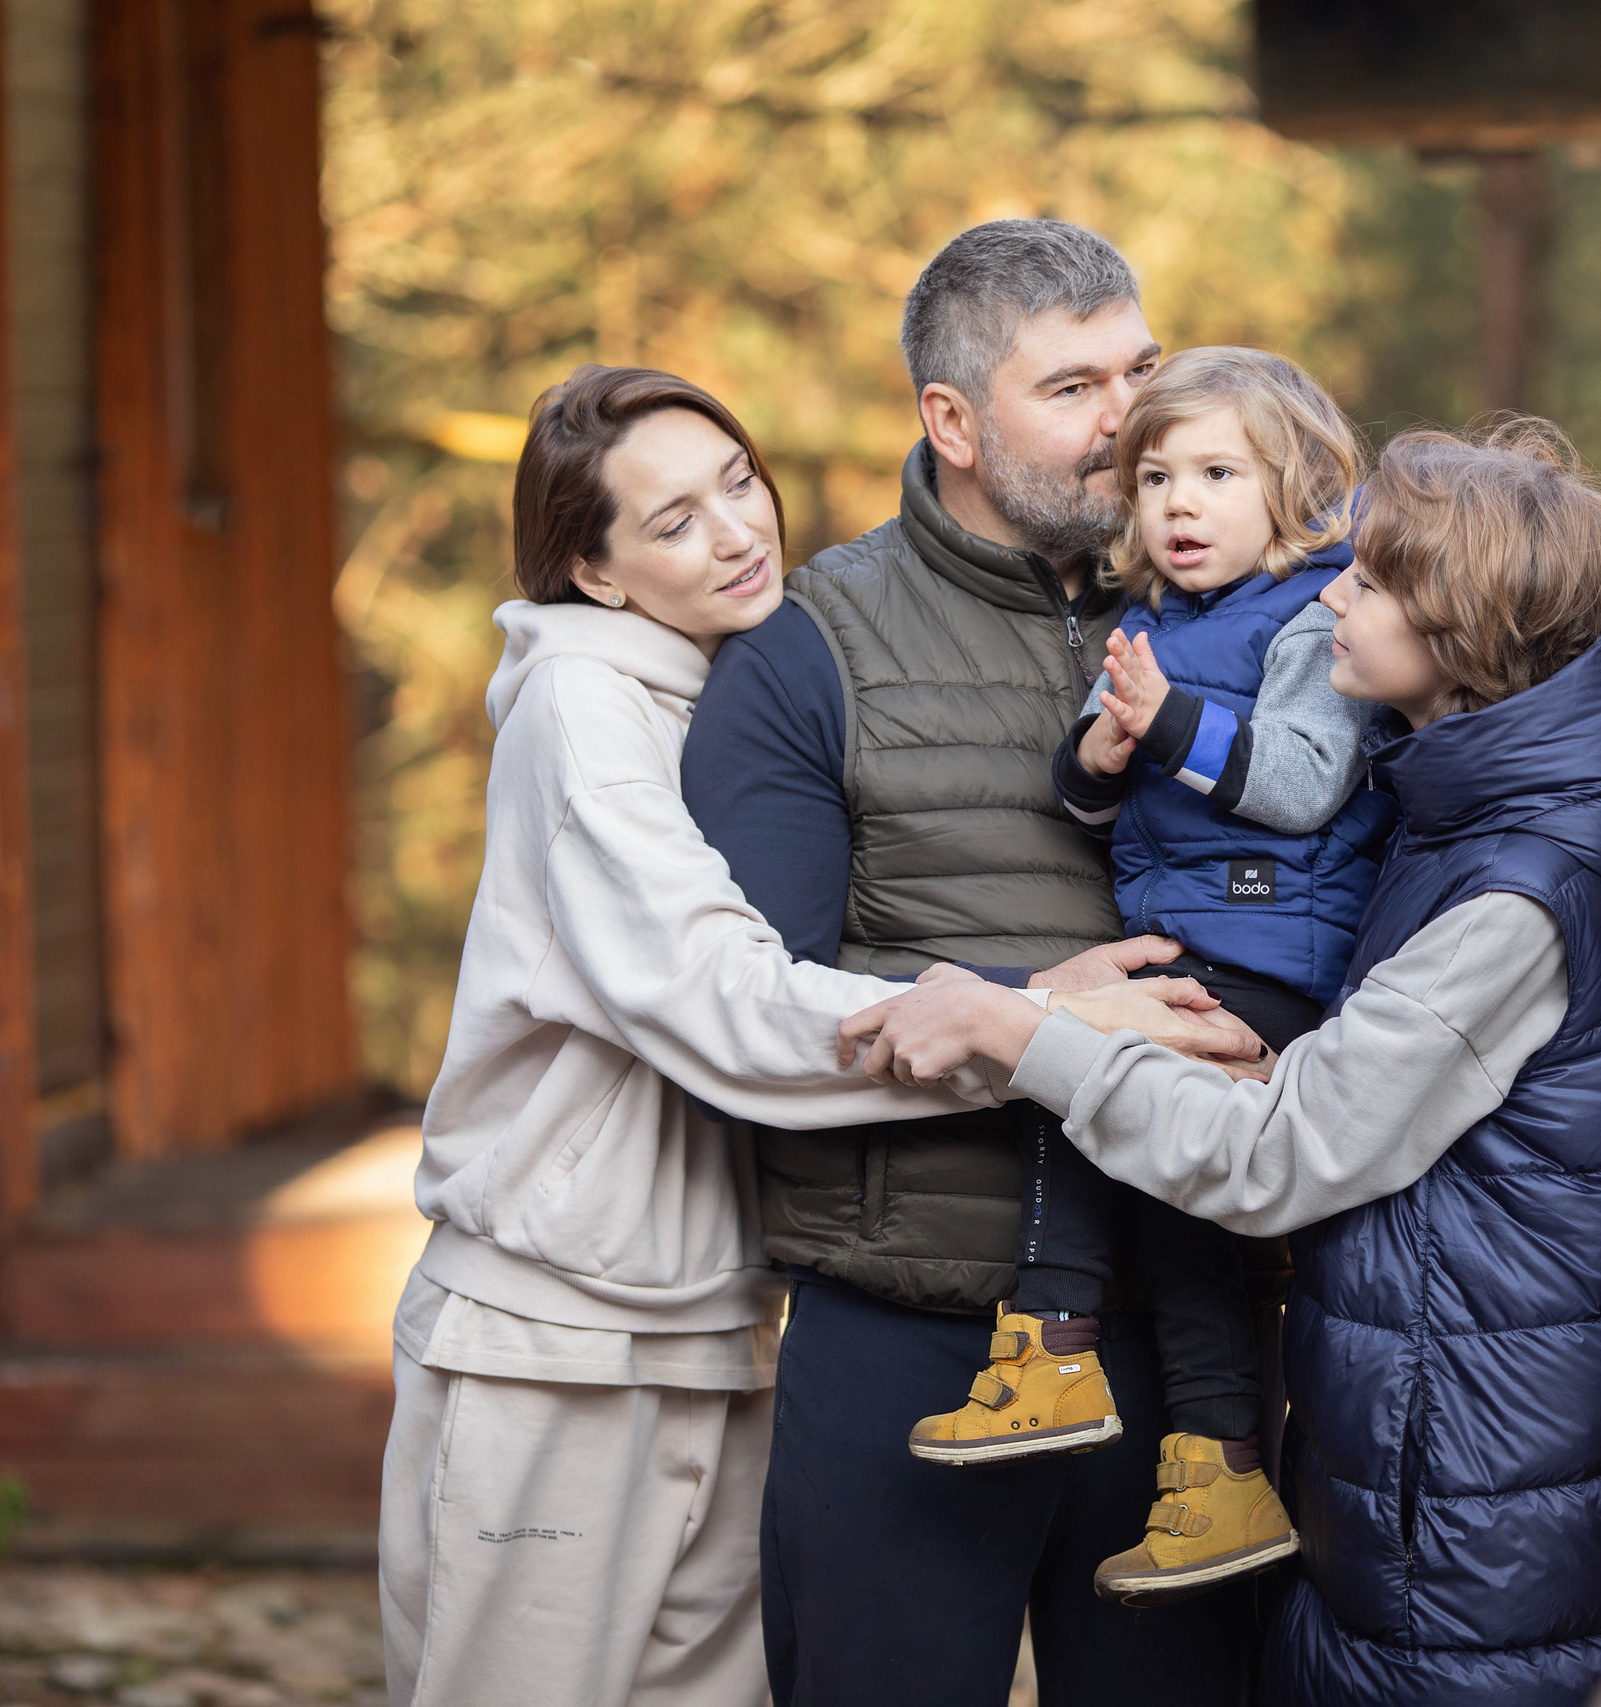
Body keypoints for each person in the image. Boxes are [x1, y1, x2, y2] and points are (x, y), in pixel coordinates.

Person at [379, 364, 1248, 1707]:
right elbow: (723, 999)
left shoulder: (719, 683)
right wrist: (1040, 1015)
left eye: (737, 481)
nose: (736, 530)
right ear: (594, 572)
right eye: (670, 521)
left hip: (714, 1322)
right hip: (555, 1336)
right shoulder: (579, 710)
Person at [844, 418, 1601, 1707]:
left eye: (1369, 582)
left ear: (1462, 629)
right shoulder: (1459, 816)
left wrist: (1016, 1030)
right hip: (1449, 1484)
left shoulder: (1518, 894)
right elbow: (1376, 1109)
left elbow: (1282, 1161)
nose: (1332, 596)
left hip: (1481, 1545)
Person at [681, 221, 1264, 1705]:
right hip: (915, 1329)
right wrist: (1039, 1016)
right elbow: (751, 1024)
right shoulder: (809, 649)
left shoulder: (1256, 609)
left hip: (1182, 1335)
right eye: (1072, 386)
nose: (1129, 417)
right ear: (951, 420)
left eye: (1140, 367)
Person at [906, 347, 1396, 1609]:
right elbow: (1080, 798)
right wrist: (1107, 743)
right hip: (1193, 948)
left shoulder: (1316, 612)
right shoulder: (1149, 629)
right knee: (1181, 1226)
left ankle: (1053, 1346)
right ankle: (1217, 1472)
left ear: (1296, 487)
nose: (1180, 504)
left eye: (1218, 474)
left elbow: (1297, 780)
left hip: (1274, 957)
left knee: (1088, 1096)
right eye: (1158, 477)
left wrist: (1167, 721)